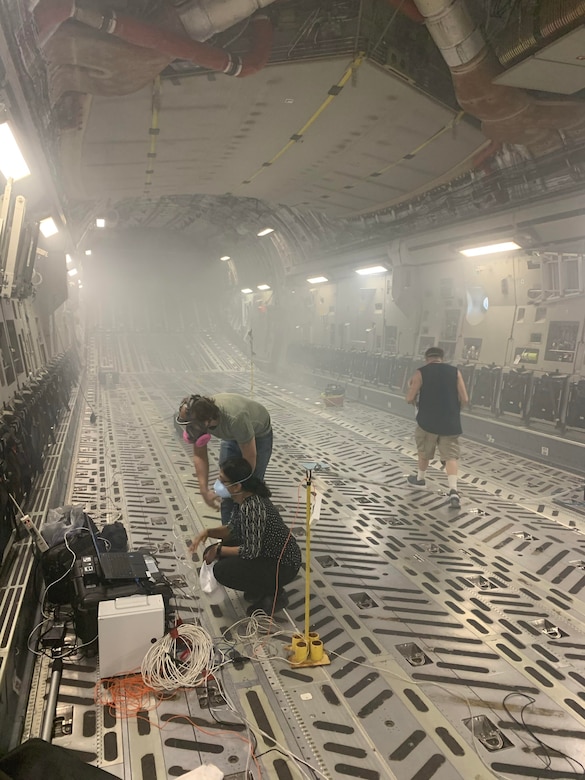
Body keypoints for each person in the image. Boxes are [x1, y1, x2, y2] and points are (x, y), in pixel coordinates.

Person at [189, 457, 301, 616]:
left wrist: (219, 549)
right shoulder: (242, 498)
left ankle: (274, 594)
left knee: (222, 570)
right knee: (212, 552)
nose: (218, 484)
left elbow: (250, 551)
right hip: (266, 553)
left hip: (283, 564)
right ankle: (258, 586)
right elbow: (232, 530)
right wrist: (208, 532)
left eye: (223, 481)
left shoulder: (253, 507)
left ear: (237, 486)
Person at [176, 393, 273, 522]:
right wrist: (204, 490)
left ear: (207, 420)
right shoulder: (201, 421)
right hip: (232, 436)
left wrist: (240, 485)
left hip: (258, 434)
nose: (189, 430)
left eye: (191, 425)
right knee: (227, 488)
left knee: (250, 489)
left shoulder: (235, 418)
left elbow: (249, 458)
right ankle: (229, 536)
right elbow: (199, 455)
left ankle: (253, 529)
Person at [405, 346, 469, 508]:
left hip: (428, 421)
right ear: (442, 358)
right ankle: (453, 490)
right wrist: (453, 411)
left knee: (424, 451)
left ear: (427, 359)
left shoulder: (421, 372)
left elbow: (410, 397)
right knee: (450, 456)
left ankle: (420, 479)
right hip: (450, 423)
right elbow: (465, 398)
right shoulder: (455, 372)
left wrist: (411, 389)